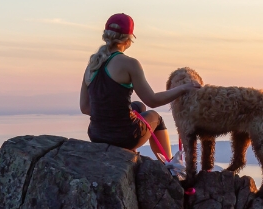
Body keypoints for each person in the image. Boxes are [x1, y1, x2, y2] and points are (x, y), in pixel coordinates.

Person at [80, 13, 200, 156]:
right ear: (129, 39)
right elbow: (153, 100)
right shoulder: (130, 64)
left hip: (96, 135)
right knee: (155, 117)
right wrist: (183, 88)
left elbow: (85, 107)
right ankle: (169, 167)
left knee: (139, 106)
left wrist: (108, 114)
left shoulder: (92, 64)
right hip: (125, 137)